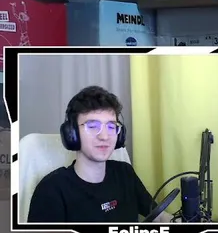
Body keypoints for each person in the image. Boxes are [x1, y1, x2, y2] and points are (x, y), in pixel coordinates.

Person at [27, 86, 170, 224]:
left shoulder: (124, 173)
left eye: (111, 126)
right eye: (92, 126)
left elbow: (159, 217)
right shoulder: (51, 190)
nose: (104, 136)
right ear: (72, 134)